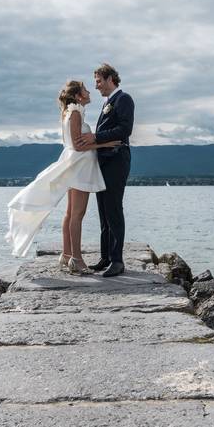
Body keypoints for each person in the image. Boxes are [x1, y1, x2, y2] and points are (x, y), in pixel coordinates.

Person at [6, 80, 121, 272]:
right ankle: (76, 259)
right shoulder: (75, 113)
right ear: (78, 96)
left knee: (70, 214)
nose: (89, 91)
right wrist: (104, 144)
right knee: (77, 214)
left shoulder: (72, 112)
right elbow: (77, 146)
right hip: (80, 167)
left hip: (77, 166)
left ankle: (67, 254)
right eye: (85, 90)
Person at [75, 63, 134, 278]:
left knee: (113, 209)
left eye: (99, 81)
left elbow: (125, 129)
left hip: (117, 159)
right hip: (103, 161)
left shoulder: (124, 99)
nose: (97, 86)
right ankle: (106, 257)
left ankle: (117, 261)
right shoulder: (107, 103)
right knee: (103, 210)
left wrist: (96, 137)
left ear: (110, 79)